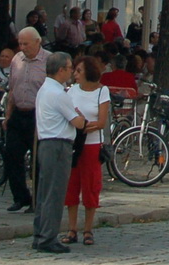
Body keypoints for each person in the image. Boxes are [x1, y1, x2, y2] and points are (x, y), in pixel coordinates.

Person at [32, 51, 87, 254]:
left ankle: (40, 234)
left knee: (44, 193)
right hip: (58, 145)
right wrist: (80, 117)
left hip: (46, 143)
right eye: (70, 68)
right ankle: (48, 237)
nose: (71, 71)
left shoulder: (44, 90)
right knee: (55, 193)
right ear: (61, 70)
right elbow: (78, 121)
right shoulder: (58, 93)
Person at [63, 56, 109, 245]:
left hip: (91, 145)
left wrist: (84, 124)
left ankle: (88, 229)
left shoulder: (102, 91)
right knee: (72, 185)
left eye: (79, 71)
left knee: (90, 186)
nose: (75, 74)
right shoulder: (72, 91)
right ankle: (72, 228)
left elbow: (101, 122)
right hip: (74, 143)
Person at [6, 27, 49, 213]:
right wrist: (8, 115)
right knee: (12, 155)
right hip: (18, 112)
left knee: (38, 160)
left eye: (26, 44)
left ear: (37, 42)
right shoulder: (17, 60)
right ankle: (20, 196)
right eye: (20, 44)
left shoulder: (49, 60)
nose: (22, 47)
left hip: (38, 115)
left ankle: (38, 200)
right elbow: (12, 89)